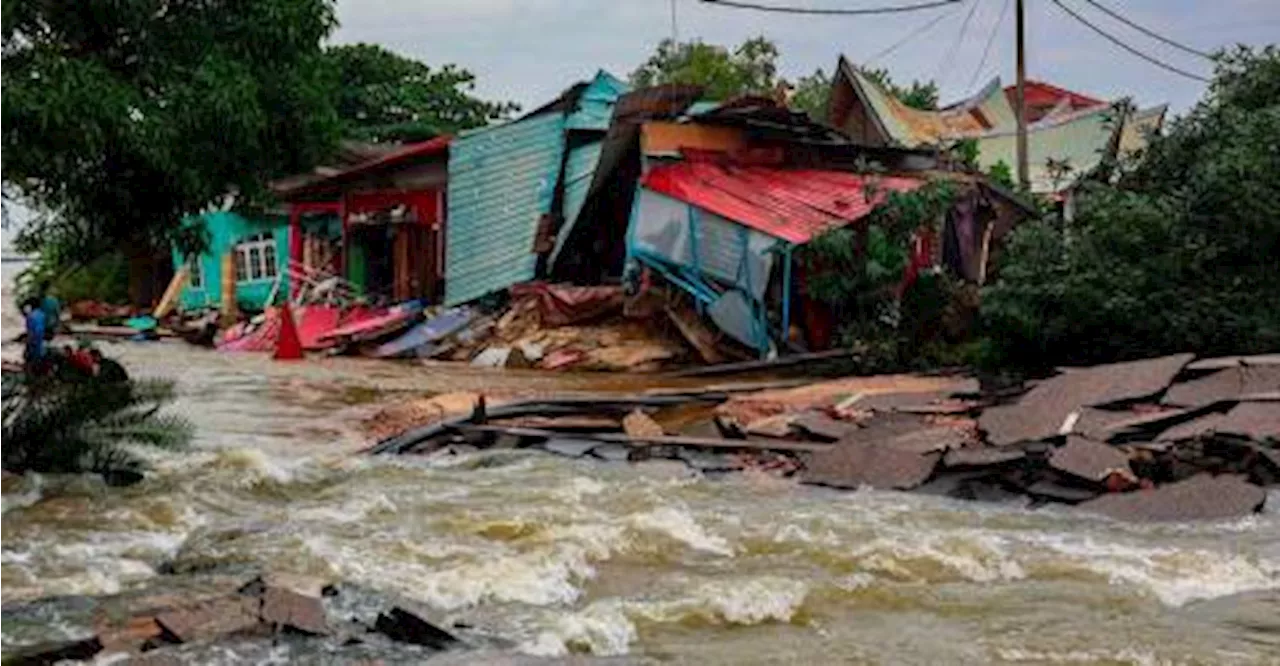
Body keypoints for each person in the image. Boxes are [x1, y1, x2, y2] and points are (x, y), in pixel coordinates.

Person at [21, 297, 48, 376]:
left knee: (29, 360)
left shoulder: (30, 316)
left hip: (34, 342)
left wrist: (28, 342)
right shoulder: (42, 314)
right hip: (41, 343)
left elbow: (31, 332)